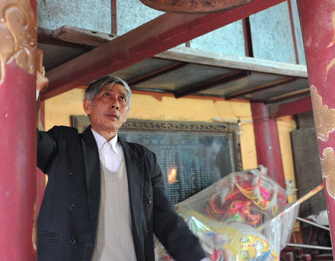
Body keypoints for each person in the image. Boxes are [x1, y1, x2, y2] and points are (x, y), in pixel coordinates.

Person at [36, 75, 207, 261]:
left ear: (126, 115)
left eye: (122, 99)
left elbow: (166, 219)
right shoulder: (65, 145)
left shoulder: (144, 159)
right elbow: (27, 140)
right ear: (88, 106)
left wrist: (199, 258)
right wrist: (33, 92)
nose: (115, 104)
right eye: (107, 95)